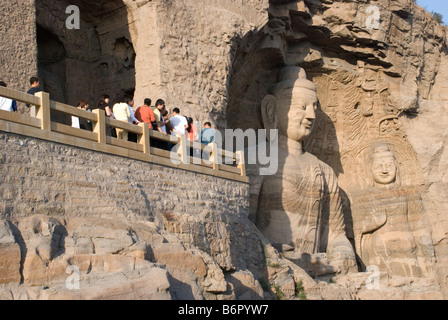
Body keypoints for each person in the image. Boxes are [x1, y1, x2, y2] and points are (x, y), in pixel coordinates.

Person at [249, 66, 357, 275]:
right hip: (273, 268)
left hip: (317, 268)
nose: (311, 115)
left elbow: (336, 236)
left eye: (314, 108)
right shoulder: (254, 158)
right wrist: (269, 249)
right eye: (302, 106)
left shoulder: (325, 171)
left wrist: (343, 252)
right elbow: (243, 223)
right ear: (271, 110)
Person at [352, 144, 437, 278]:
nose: (385, 170)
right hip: (379, 253)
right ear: (369, 169)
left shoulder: (409, 193)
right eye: (379, 166)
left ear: (397, 168)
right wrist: (373, 222)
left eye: (389, 166)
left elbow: (420, 226)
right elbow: (356, 230)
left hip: (408, 250)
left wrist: (427, 252)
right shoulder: (364, 197)